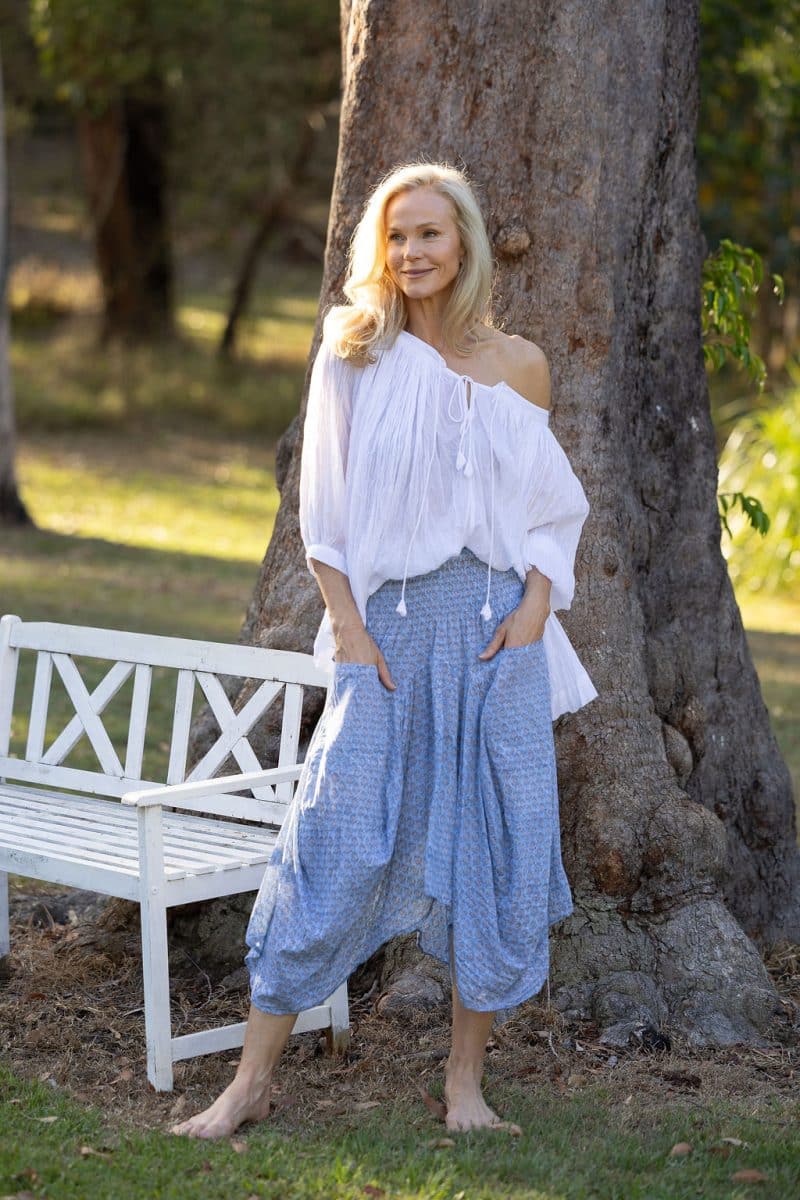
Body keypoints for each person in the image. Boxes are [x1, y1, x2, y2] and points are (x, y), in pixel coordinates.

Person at [171, 160, 597, 1140]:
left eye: (429, 234)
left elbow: (547, 511)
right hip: (389, 634)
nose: (410, 252)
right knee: (332, 836)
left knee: (494, 846)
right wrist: (352, 635)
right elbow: (321, 513)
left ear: (466, 244)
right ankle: (248, 1084)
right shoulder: (352, 348)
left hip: (496, 634)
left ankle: (463, 1089)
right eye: (395, 235)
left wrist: (533, 609)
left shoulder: (520, 365)